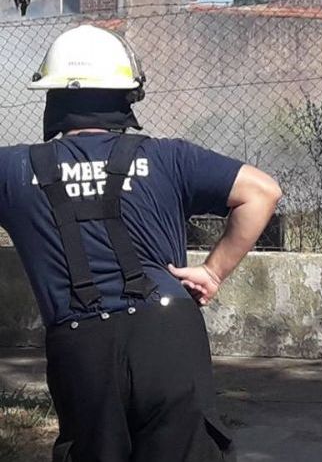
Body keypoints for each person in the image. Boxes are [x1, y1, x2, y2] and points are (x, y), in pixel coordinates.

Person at [0, 25, 282, 461]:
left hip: (81, 344)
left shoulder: (14, 170)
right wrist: (212, 271)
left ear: (53, 97)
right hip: (167, 332)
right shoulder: (169, 156)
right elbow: (261, 191)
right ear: (126, 97)